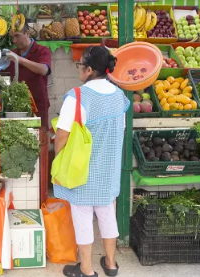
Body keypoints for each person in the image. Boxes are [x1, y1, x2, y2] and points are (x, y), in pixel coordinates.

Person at [53, 46, 129, 277]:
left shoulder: (77, 97)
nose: (78, 69)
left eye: (79, 65)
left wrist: (59, 159)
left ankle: (86, 270)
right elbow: (120, 129)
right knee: (107, 214)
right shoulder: (119, 96)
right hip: (109, 171)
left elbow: (62, 135)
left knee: (83, 217)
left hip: (82, 171)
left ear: (88, 69)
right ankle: (111, 264)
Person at [7, 22, 52, 130]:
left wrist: (19, 59)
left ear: (27, 33)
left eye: (17, 36)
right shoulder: (12, 54)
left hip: (38, 104)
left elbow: (43, 70)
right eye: (12, 37)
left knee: (41, 137)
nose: (14, 41)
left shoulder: (42, 50)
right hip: (17, 106)